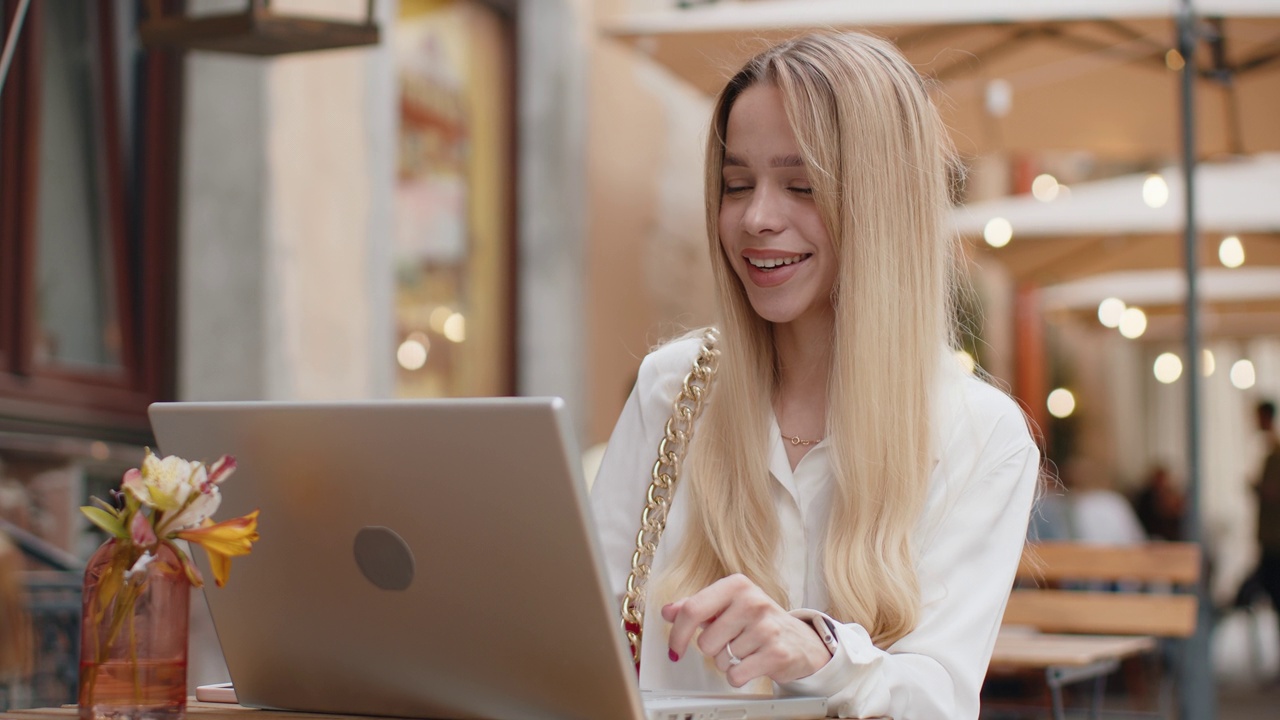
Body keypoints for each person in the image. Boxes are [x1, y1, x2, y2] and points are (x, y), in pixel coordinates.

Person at [590, 32, 1039, 719]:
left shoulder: (982, 435)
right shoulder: (671, 388)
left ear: (881, 204)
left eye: (801, 186)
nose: (756, 218)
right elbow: (585, 628)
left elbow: (939, 700)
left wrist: (820, 653)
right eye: (736, 185)